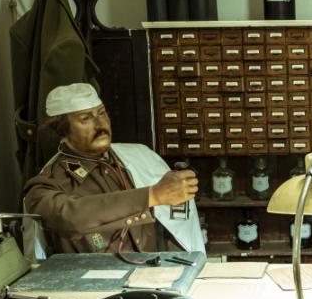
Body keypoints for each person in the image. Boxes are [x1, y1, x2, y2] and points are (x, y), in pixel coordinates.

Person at [24, 82, 205, 255]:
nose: (99, 124)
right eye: (85, 118)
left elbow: (175, 233)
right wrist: (152, 196)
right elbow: (69, 216)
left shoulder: (142, 157)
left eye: (101, 113)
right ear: (62, 130)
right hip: (97, 284)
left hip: (152, 277)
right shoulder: (48, 182)